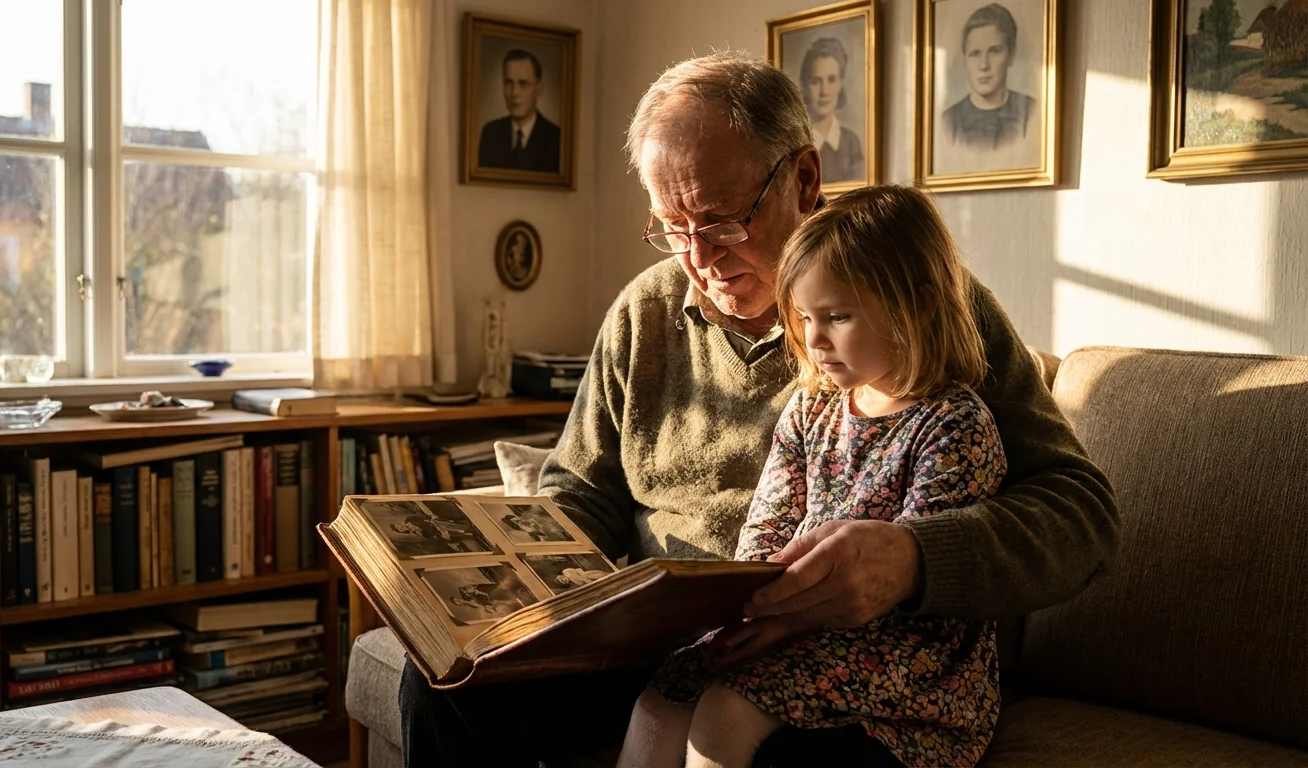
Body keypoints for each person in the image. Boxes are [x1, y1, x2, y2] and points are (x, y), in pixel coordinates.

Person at [399, 51, 1118, 768]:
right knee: (445, 680)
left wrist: (913, 559)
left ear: (803, 179)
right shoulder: (643, 314)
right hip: (662, 647)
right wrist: (513, 582)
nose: (699, 258)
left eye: (720, 221)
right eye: (671, 227)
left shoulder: (912, 306)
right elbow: (579, 496)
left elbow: (1081, 515)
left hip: (841, 654)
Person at [618, 185, 1008, 768]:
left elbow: (913, 585)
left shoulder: (955, 424)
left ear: (921, 306)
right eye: (804, 316)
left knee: (727, 706)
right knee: (665, 691)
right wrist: (739, 606)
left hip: (909, 659)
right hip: (798, 624)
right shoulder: (813, 408)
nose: (815, 339)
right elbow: (768, 525)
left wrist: (786, 623)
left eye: (838, 316)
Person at [940, 3, 1036, 153]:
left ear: (1011, 55)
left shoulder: (1031, 113)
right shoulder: (949, 122)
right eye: (975, 54)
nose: (984, 65)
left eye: (994, 51)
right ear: (964, 59)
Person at [478, 49, 562, 172]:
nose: (514, 92)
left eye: (523, 83)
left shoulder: (556, 139)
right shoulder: (490, 133)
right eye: (508, 83)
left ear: (539, 89)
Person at [799, 36, 864, 183]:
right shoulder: (796, 145)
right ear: (806, 86)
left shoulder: (851, 142)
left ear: (840, 84)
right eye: (816, 81)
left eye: (831, 80)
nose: (824, 91)